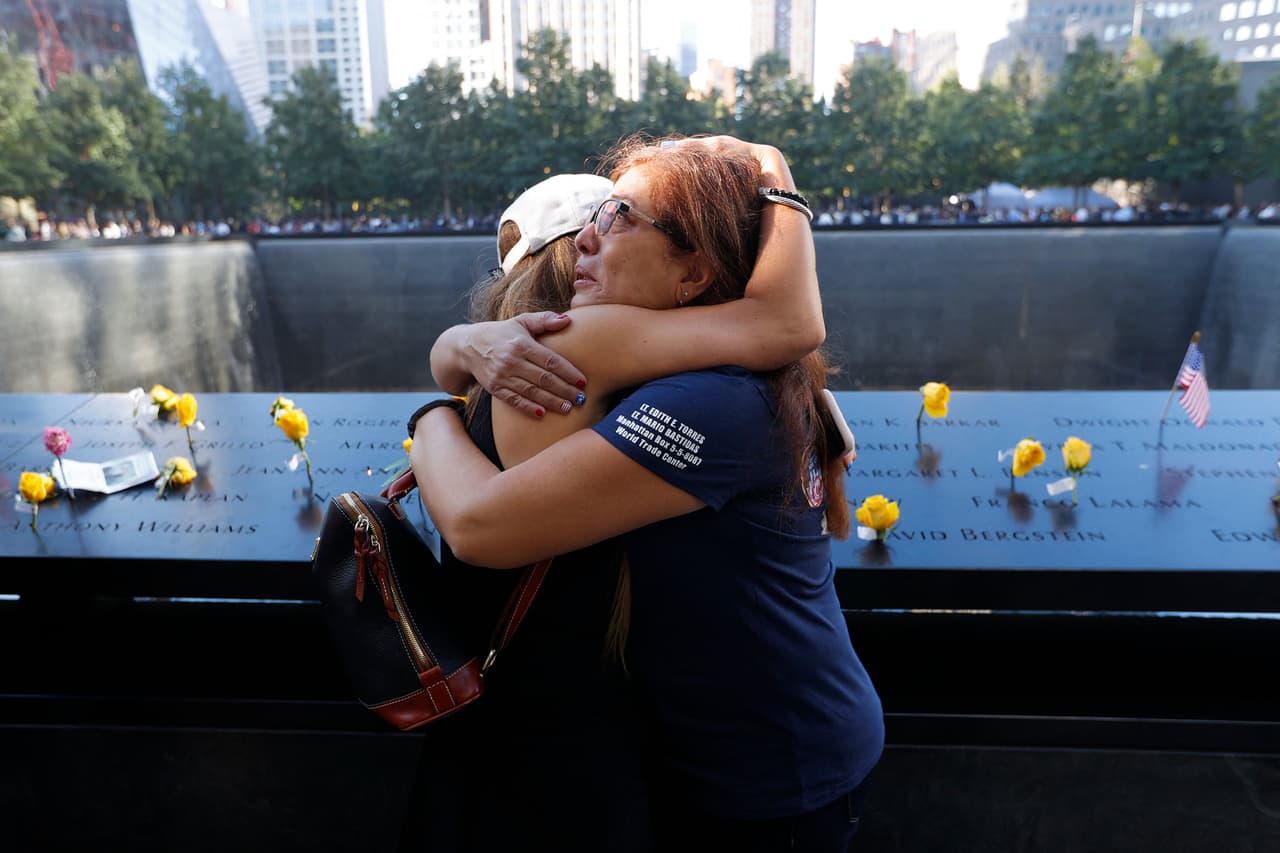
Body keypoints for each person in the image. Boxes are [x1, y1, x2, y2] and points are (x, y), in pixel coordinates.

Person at [411, 135, 883, 852]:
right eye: (594, 215)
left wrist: (429, 416)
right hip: (703, 756)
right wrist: (462, 346)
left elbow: (479, 526)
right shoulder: (691, 363)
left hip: (776, 776)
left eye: (621, 216)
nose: (590, 237)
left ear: (694, 272)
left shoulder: (713, 402)